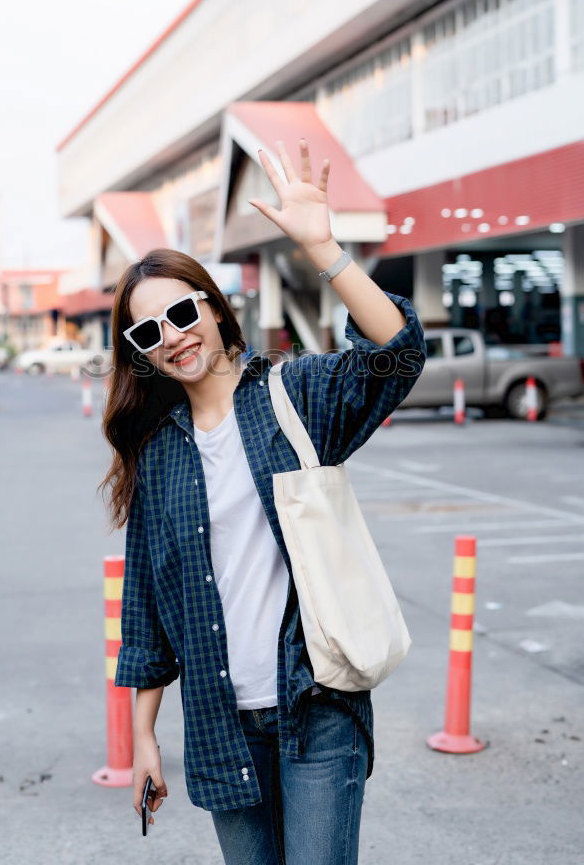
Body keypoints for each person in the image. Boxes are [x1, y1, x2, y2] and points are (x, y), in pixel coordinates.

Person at [100, 139, 426, 864]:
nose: (173, 337)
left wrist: (326, 249)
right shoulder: (158, 454)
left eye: (182, 312)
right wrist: (145, 738)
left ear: (214, 309)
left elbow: (396, 354)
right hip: (219, 725)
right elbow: (148, 612)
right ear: (139, 352)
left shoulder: (291, 396)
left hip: (316, 705)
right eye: (148, 331)